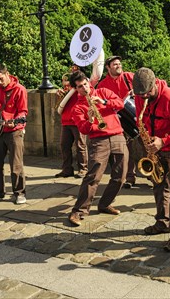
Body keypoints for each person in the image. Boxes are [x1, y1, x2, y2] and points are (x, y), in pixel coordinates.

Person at [134, 67, 170, 252]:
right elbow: (141, 120)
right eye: (140, 95)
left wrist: (164, 141)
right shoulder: (141, 96)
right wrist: (150, 142)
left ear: (154, 85)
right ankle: (162, 222)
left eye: (147, 94)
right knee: (159, 185)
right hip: (156, 146)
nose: (143, 99)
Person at [67, 70, 128, 227]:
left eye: (85, 84)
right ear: (76, 89)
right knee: (93, 176)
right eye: (80, 87)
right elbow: (84, 130)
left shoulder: (103, 92)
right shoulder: (77, 107)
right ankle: (79, 211)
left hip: (117, 135)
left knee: (121, 176)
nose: (85, 89)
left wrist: (104, 102)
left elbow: (120, 104)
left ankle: (105, 204)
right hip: (98, 140)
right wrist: (90, 118)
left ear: (88, 81)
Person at [0, 63, 28, 205]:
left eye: (1, 79)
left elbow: (23, 112)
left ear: (7, 74)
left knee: (16, 164)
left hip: (14, 131)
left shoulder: (20, 89)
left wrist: (15, 122)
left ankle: (19, 193)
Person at [97, 55, 138, 188]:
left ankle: (152, 174)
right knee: (126, 150)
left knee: (147, 145)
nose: (118, 66)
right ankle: (130, 177)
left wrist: (136, 91)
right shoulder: (102, 85)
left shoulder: (129, 77)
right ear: (108, 68)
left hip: (136, 116)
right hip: (118, 121)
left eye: (119, 63)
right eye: (115, 64)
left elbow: (147, 86)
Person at [55, 73, 88, 178]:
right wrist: (60, 95)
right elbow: (60, 106)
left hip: (76, 120)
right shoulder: (67, 90)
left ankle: (83, 169)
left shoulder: (78, 88)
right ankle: (67, 169)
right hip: (65, 121)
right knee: (64, 146)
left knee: (80, 146)